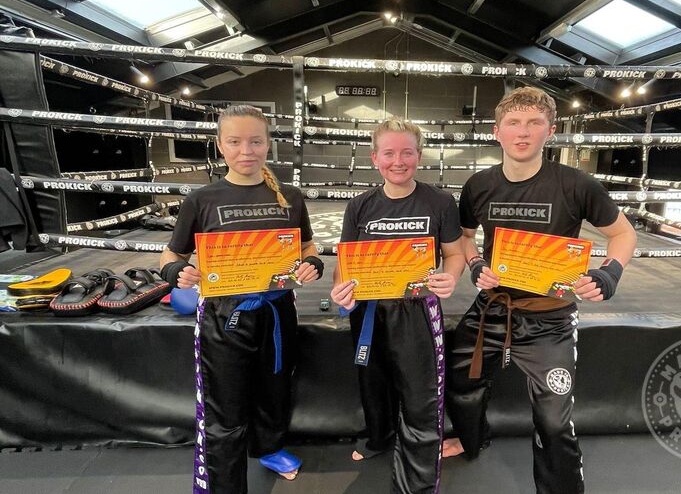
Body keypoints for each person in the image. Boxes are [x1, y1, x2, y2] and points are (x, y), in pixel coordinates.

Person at [442, 87, 637, 493]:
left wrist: (608, 274)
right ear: (497, 131)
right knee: (461, 383)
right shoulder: (478, 185)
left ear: (550, 130)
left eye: (534, 123)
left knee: (552, 421)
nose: (523, 132)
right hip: (493, 306)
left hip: (550, 316)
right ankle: (472, 439)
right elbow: (464, 236)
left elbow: (622, 233)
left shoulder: (577, 184)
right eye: (513, 123)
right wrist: (477, 264)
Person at [159, 105, 324, 493]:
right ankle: (226, 484)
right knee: (226, 405)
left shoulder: (289, 196)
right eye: (234, 142)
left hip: (277, 310)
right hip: (224, 314)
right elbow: (171, 254)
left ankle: (269, 447)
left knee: (276, 387)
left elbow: (307, 244)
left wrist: (312, 262)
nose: (245, 150)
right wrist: (173, 273)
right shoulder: (201, 199)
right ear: (220, 145)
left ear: (268, 145)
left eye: (255, 141)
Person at [330, 117, 464, 493]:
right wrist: (339, 291)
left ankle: (420, 460)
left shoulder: (439, 201)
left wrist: (450, 276)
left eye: (407, 152)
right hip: (370, 311)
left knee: (420, 389)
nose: (398, 160)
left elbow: (454, 253)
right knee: (372, 381)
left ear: (419, 156)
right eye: (389, 153)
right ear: (375, 158)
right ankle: (378, 438)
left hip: (418, 309)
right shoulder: (359, 206)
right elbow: (345, 263)